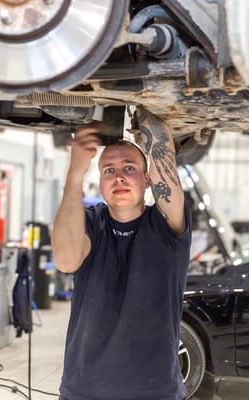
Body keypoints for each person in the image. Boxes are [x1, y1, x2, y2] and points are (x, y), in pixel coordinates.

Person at [52, 106, 191, 400]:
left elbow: (162, 146)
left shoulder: (166, 226)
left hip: (155, 393)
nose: (118, 177)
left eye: (129, 168)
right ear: (100, 181)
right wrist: (75, 173)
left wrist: (144, 104)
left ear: (147, 179)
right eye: (108, 170)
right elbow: (65, 261)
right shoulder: (89, 222)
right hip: (84, 392)